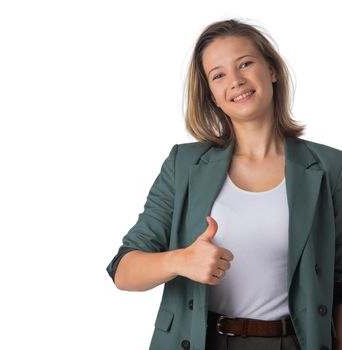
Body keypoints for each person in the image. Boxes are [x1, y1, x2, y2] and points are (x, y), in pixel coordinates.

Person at [106, 18, 342, 350]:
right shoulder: (184, 165)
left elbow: (340, 284)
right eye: (219, 75)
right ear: (213, 96)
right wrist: (180, 261)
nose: (236, 81)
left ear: (272, 70)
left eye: (245, 63)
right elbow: (123, 270)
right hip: (202, 341)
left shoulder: (330, 167)